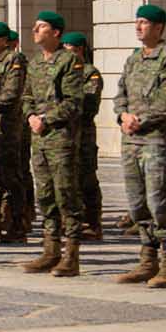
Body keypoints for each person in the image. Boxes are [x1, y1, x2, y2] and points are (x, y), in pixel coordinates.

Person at [113, 4, 166, 288]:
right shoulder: (133, 60)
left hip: (156, 141)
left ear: (159, 27)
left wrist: (138, 119)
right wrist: (122, 115)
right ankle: (148, 260)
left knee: (159, 201)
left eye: (144, 22)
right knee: (137, 203)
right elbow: (120, 94)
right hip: (130, 141)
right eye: (137, 22)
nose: (138, 26)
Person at [19, 11, 86, 276]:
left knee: (65, 194)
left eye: (41, 26)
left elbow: (73, 101)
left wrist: (46, 118)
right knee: (45, 195)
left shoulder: (69, 61)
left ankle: (71, 254)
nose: (35, 30)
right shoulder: (35, 63)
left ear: (56, 32)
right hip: (39, 138)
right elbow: (26, 97)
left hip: (60, 139)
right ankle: (50, 250)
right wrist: (31, 116)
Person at [0, 21, 28, 243]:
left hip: (7, 126)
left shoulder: (14, 59)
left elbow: (10, 95)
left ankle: (17, 222)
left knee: (11, 176)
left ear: (4, 39)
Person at [60, 32, 104, 239]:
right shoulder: (62, 71)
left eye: (71, 48)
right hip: (65, 132)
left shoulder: (90, 73)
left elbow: (89, 104)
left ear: (79, 50)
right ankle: (70, 219)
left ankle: (93, 222)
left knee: (86, 177)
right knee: (67, 178)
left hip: (83, 133)